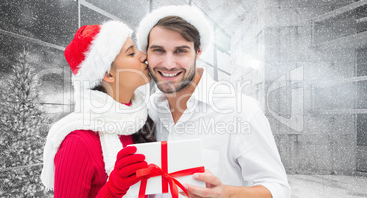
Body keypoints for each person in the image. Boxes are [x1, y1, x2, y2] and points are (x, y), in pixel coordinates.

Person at [136, 5, 291, 198]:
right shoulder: (148, 110)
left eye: (180, 51)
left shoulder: (239, 110)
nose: (168, 64)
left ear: (198, 52)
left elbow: (278, 188)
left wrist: (226, 193)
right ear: (146, 55)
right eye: (158, 50)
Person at [40, 20, 155, 198]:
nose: (143, 56)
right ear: (108, 74)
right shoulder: (77, 143)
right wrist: (114, 188)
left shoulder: (140, 123)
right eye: (131, 53)